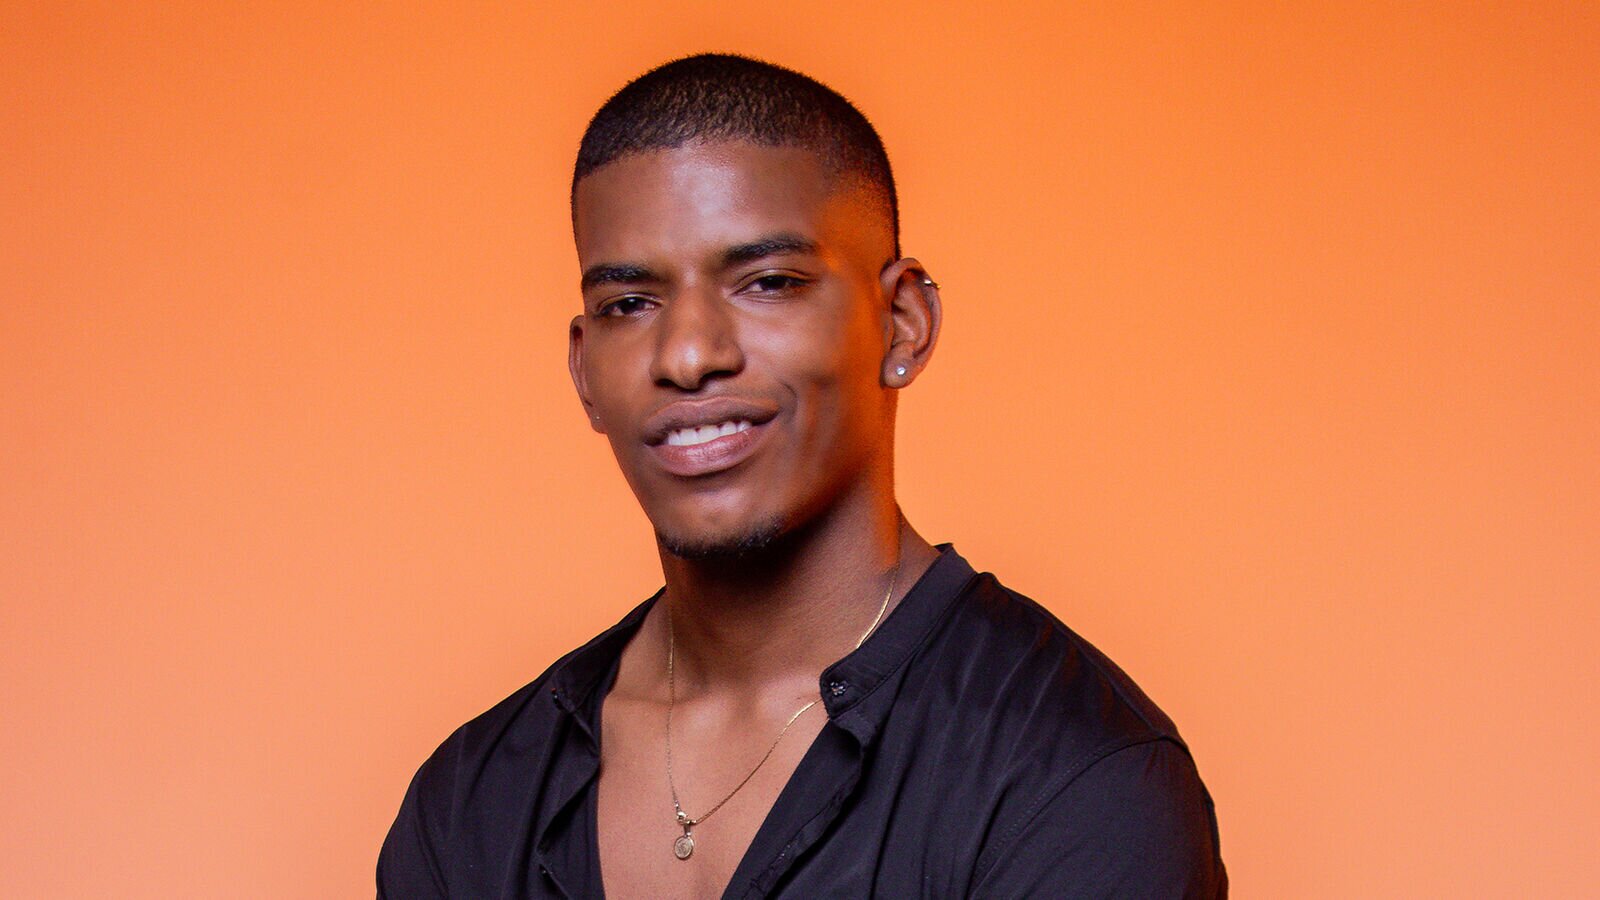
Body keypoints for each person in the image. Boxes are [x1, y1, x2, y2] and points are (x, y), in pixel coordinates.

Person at [378, 53, 1226, 899]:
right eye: (629, 304)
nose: (688, 355)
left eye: (768, 283)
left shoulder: (1075, 781)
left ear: (901, 323)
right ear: (583, 370)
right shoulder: (469, 804)